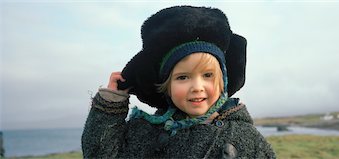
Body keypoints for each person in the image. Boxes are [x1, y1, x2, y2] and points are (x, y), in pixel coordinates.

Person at [82, 5, 275, 158]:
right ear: (167, 86)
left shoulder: (245, 139)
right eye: (183, 77)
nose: (197, 87)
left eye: (208, 75)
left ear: (223, 81)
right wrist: (111, 103)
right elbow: (102, 154)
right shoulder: (146, 133)